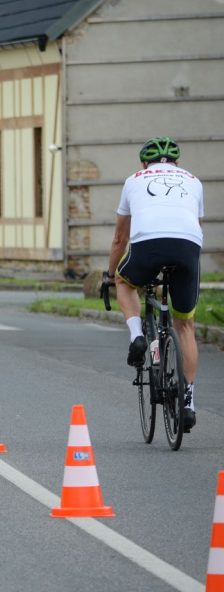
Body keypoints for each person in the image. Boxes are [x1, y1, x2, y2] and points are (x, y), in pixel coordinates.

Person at [108, 136, 203, 431]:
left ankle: (137, 336)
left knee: (124, 281)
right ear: (176, 162)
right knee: (185, 325)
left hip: (148, 244)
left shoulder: (133, 180)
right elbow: (193, 224)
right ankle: (188, 402)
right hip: (187, 246)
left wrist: (109, 275)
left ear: (143, 163)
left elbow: (120, 238)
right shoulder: (194, 181)